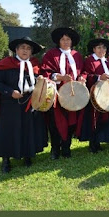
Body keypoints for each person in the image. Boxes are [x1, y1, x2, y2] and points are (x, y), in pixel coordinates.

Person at [0, 37, 47, 173]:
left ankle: (27, 155)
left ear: (31, 52)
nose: (25, 50)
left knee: (28, 129)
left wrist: (40, 79)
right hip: (10, 103)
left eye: (28, 48)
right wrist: (9, 91)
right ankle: (6, 160)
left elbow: (34, 81)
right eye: (22, 47)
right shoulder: (5, 64)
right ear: (16, 50)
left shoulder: (35, 65)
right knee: (9, 131)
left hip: (30, 101)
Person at [41, 27, 87, 159]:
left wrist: (82, 77)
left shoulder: (77, 55)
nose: (66, 42)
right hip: (56, 94)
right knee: (55, 122)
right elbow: (45, 72)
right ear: (58, 41)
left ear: (72, 41)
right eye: (63, 39)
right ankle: (55, 149)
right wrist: (60, 78)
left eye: (68, 39)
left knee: (72, 121)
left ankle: (66, 146)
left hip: (73, 94)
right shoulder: (51, 54)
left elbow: (83, 71)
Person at [80, 38, 109, 153]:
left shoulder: (108, 63)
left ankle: (99, 141)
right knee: (94, 119)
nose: (101, 50)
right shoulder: (90, 61)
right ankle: (93, 144)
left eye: (104, 48)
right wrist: (99, 77)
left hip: (106, 95)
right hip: (95, 94)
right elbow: (86, 75)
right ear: (94, 49)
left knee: (103, 119)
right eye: (99, 47)